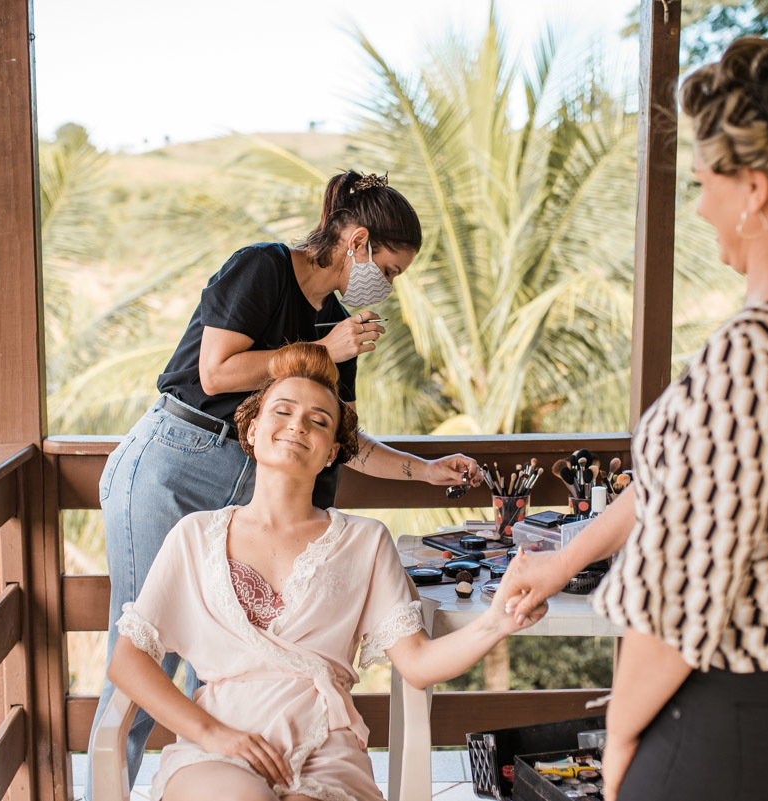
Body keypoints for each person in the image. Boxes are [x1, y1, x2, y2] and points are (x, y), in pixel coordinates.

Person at [503, 36, 768, 801]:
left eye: (702, 183)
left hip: (757, 711)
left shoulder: (753, 354)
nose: (700, 205)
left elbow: (674, 600)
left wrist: (619, 738)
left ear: (753, 190)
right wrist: (561, 560)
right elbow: (683, 481)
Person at [87, 170, 483, 794]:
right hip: (176, 462)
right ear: (356, 243)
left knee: (225, 662)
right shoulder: (263, 270)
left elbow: (342, 439)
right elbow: (215, 374)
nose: (389, 286)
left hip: (247, 480)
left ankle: (234, 771)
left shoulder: (336, 324)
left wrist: (424, 470)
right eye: (391, 269)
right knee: (141, 663)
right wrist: (325, 347)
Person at [106, 343, 545, 801]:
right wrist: (214, 734)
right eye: (283, 411)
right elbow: (128, 660)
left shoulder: (365, 541)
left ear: (332, 451)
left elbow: (417, 664)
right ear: (252, 429)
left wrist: (499, 620)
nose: (298, 424)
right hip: (218, 742)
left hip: (327, 744)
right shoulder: (194, 535)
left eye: (318, 420)